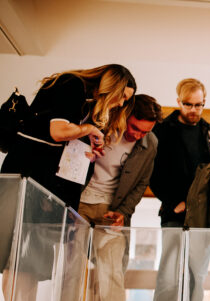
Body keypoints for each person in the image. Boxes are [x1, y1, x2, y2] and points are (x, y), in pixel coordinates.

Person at [58, 94, 161, 301]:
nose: (137, 135)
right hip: (80, 204)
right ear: (125, 114)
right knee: (72, 270)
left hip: (111, 209)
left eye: (144, 131)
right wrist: (68, 205)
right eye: (135, 127)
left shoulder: (150, 143)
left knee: (112, 270)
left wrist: (124, 212)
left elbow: (140, 184)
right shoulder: (98, 126)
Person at [1, 64, 136, 209]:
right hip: (28, 170)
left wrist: (86, 156)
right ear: (113, 86)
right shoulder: (71, 84)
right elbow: (59, 132)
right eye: (123, 96)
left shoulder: (89, 102)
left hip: (46, 177)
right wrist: (89, 129)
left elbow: (66, 139)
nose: (121, 103)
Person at [149, 78, 210, 301]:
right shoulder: (162, 129)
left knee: (197, 278)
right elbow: (151, 172)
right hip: (173, 214)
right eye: (188, 104)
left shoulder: (206, 131)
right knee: (168, 278)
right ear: (178, 102)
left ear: (204, 103)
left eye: (198, 105)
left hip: (201, 216)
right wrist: (173, 200)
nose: (193, 110)